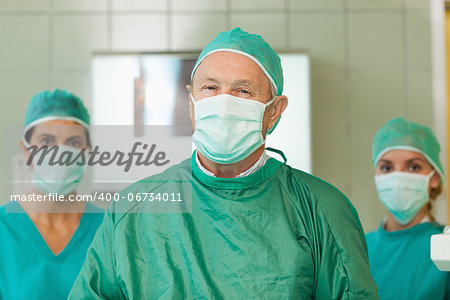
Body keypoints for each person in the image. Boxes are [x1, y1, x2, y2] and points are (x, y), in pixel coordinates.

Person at [69, 28, 378, 299]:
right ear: (191, 103)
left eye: (243, 91)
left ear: (274, 111)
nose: (224, 103)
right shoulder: (133, 211)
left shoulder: (322, 210)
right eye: (210, 88)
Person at [0, 89, 104, 299]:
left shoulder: (108, 229)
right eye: (47, 141)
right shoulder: (5, 228)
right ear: (27, 149)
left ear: (87, 150)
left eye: (74, 143)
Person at [366, 118, 450, 299]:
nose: (398, 177)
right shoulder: (358, 248)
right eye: (387, 168)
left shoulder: (446, 248)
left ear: (434, 177)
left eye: (413, 167)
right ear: (376, 175)